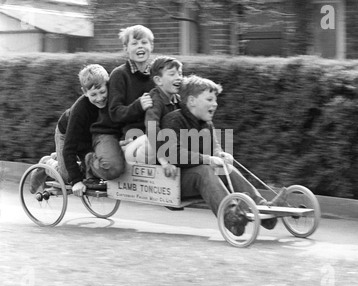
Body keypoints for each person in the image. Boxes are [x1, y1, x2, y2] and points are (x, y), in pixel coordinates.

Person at [160, 75, 287, 236]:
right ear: (192, 101)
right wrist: (208, 159)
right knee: (203, 170)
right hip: (174, 181)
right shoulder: (173, 120)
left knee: (224, 167)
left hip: (197, 179)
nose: (215, 104)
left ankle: (264, 210)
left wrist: (221, 155)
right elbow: (172, 153)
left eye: (215, 100)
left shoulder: (206, 123)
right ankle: (230, 217)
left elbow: (214, 148)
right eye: (210, 99)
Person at [29, 64, 118, 197]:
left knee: (94, 167)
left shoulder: (114, 100)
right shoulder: (80, 111)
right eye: (93, 94)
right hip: (67, 135)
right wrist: (76, 181)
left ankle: (59, 158)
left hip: (89, 135)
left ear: (108, 85)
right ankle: (47, 163)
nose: (99, 98)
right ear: (85, 92)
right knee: (67, 176)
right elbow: (69, 147)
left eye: (102, 92)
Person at [88, 25, 156, 174]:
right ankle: (89, 162)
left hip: (144, 135)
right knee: (114, 167)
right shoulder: (120, 75)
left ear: (151, 46)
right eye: (134, 43)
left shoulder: (156, 75)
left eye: (144, 43)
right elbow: (115, 113)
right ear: (126, 48)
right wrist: (139, 106)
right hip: (118, 132)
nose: (140, 47)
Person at [124, 56, 182, 177]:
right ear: (158, 80)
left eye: (180, 73)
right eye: (172, 74)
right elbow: (151, 128)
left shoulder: (178, 100)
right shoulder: (156, 99)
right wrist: (164, 161)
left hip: (164, 145)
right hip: (143, 148)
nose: (178, 77)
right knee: (150, 143)